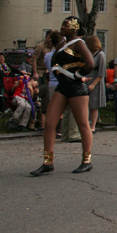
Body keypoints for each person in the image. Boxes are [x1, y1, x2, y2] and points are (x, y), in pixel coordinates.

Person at [30, 17, 95, 176]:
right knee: (50, 122)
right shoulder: (61, 44)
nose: (62, 27)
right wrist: (57, 71)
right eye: (63, 24)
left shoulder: (79, 43)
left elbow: (90, 64)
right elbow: (53, 61)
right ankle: (47, 162)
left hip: (77, 88)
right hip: (62, 87)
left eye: (66, 25)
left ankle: (86, 160)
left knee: (82, 124)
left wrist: (78, 74)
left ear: (75, 28)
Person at [85, 36, 106, 133]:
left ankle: (93, 125)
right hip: (86, 79)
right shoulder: (88, 54)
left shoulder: (100, 55)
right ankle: (86, 123)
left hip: (96, 81)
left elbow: (101, 73)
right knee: (85, 104)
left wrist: (93, 84)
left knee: (94, 104)